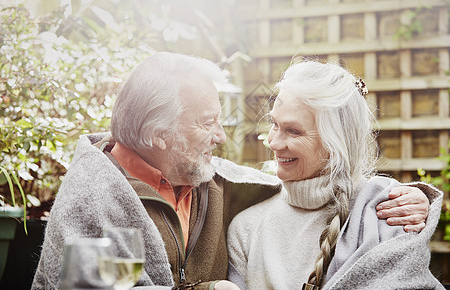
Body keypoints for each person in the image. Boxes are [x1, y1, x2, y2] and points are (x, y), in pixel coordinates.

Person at [32, 53, 431, 290]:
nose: (222, 137)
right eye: (207, 123)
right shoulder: (95, 203)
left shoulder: (212, 181)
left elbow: (310, 181)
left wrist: (407, 196)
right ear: (159, 135)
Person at [227, 59, 444, 290]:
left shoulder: (386, 212)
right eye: (274, 123)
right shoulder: (247, 228)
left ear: (336, 143)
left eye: (293, 131)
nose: (273, 142)